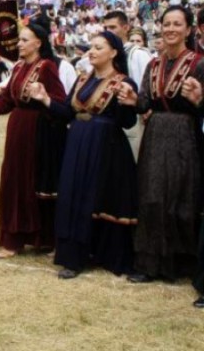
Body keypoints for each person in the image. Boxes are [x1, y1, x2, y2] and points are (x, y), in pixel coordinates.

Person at [28, 31, 138, 279]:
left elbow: (127, 122)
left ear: (113, 52)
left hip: (106, 147)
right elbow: (67, 112)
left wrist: (131, 103)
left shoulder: (123, 83)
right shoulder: (81, 81)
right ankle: (75, 256)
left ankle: (106, 254)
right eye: (91, 47)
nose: (92, 51)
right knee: (75, 195)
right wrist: (45, 100)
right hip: (77, 144)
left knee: (100, 198)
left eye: (99, 47)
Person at [116, 6, 204, 309]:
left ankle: (181, 262)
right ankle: (150, 263)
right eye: (166, 23)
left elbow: (200, 104)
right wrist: (133, 102)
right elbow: (145, 101)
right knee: (152, 196)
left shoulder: (199, 63)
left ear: (189, 30)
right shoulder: (154, 64)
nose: (170, 29)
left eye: (177, 24)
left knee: (181, 196)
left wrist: (198, 100)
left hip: (184, 134)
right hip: (155, 135)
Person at [0, 16, 68, 258]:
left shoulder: (47, 67)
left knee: (33, 182)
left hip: (38, 131)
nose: (19, 44)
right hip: (17, 130)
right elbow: (7, 100)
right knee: (13, 180)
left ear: (38, 43)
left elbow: (59, 101)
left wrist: (42, 98)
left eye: (25, 40)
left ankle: (42, 237)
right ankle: (13, 236)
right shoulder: (17, 67)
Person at [103, 10, 151, 160]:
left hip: (134, 117)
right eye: (106, 28)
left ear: (125, 28)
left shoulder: (138, 54)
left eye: (113, 27)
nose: (108, 32)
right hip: (110, 119)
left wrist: (145, 109)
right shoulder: (104, 54)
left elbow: (147, 87)